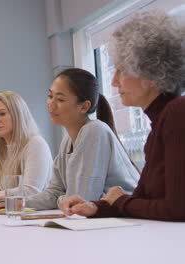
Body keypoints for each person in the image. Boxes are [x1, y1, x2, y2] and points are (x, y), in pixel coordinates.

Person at [60, 11, 185, 221]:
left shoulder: (176, 113)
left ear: (151, 73)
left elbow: (177, 209)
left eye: (122, 71)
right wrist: (95, 207)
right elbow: (140, 201)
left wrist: (118, 201)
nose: (114, 81)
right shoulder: (162, 121)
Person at [0, 68, 140, 212]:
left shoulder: (95, 131)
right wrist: (23, 203)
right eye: (50, 96)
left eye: (60, 99)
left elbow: (81, 200)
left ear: (84, 106)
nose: (51, 104)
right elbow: (54, 192)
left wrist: (61, 198)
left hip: (130, 217)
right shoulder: (67, 141)